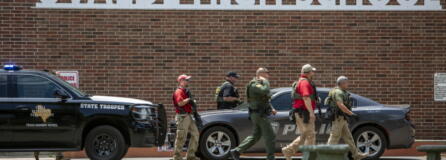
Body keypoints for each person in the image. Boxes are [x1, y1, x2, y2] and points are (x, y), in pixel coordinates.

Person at [230, 67, 277, 160]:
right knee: (270, 136)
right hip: (259, 114)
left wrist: (272, 108)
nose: (268, 76)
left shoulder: (260, 84)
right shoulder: (254, 84)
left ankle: (236, 151)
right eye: (267, 73)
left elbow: (265, 98)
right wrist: (266, 81)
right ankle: (271, 158)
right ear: (261, 74)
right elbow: (265, 90)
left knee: (256, 136)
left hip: (260, 113)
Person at [325, 76, 368, 160]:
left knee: (348, 137)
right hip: (338, 118)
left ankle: (356, 155)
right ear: (342, 83)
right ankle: (325, 156)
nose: (348, 84)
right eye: (346, 82)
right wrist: (351, 114)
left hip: (342, 118)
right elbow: (340, 105)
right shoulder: (338, 92)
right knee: (334, 137)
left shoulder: (341, 91)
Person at [281, 64, 318, 160]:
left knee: (306, 135)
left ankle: (288, 151)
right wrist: (311, 113)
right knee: (310, 135)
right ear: (309, 73)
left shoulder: (302, 81)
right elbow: (306, 97)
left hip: (301, 112)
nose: (313, 73)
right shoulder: (305, 83)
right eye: (312, 71)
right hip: (304, 113)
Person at [172, 74, 200, 160]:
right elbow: (180, 103)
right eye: (186, 80)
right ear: (180, 81)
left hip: (188, 116)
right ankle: (177, 157)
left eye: (188, 80)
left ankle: (190, 156)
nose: (188, 81)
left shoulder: (185, 91)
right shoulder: (179, 91)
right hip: (182, 116)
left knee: (195, 134)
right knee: (181, 137)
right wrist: (189, 99)